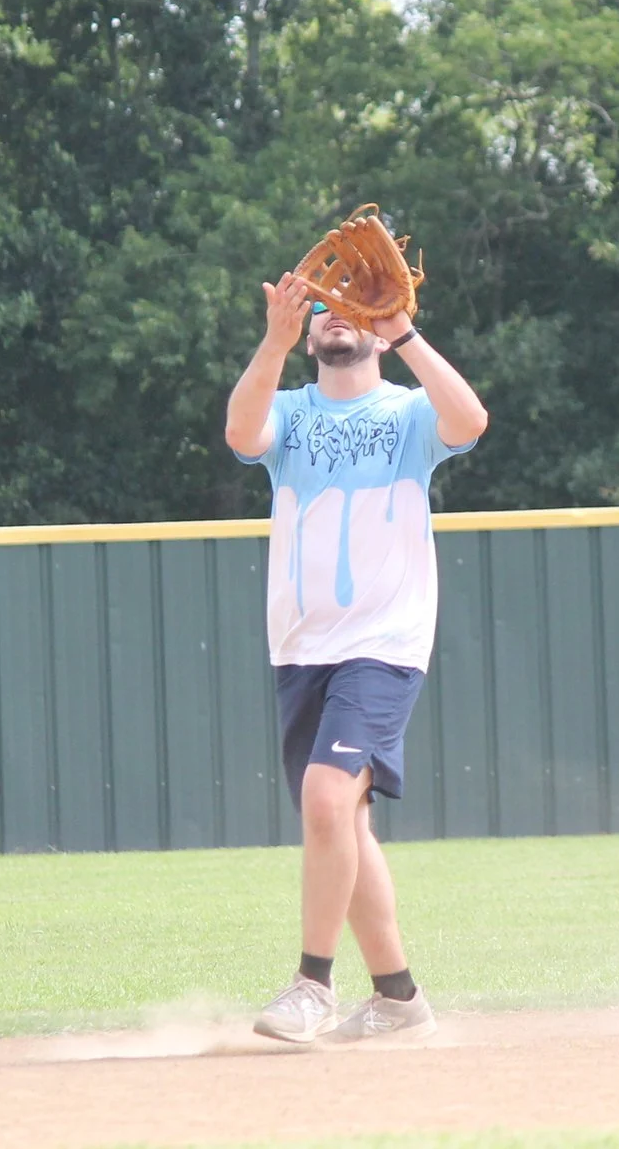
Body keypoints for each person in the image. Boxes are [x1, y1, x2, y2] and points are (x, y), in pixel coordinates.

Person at [224, 269, 488, 1046]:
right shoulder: (289, 413)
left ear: (376, 325)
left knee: (327, 799)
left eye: (355, 307)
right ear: (311, 335)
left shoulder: (409, 415)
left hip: (384, 643)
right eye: (326, 310)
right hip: (302, 651)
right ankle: (399, 996)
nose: (339, 317)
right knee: (342, 821)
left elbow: (469, 419)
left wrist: (405, 329)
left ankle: (312, 983)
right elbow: (241, 434)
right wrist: (272, 340)